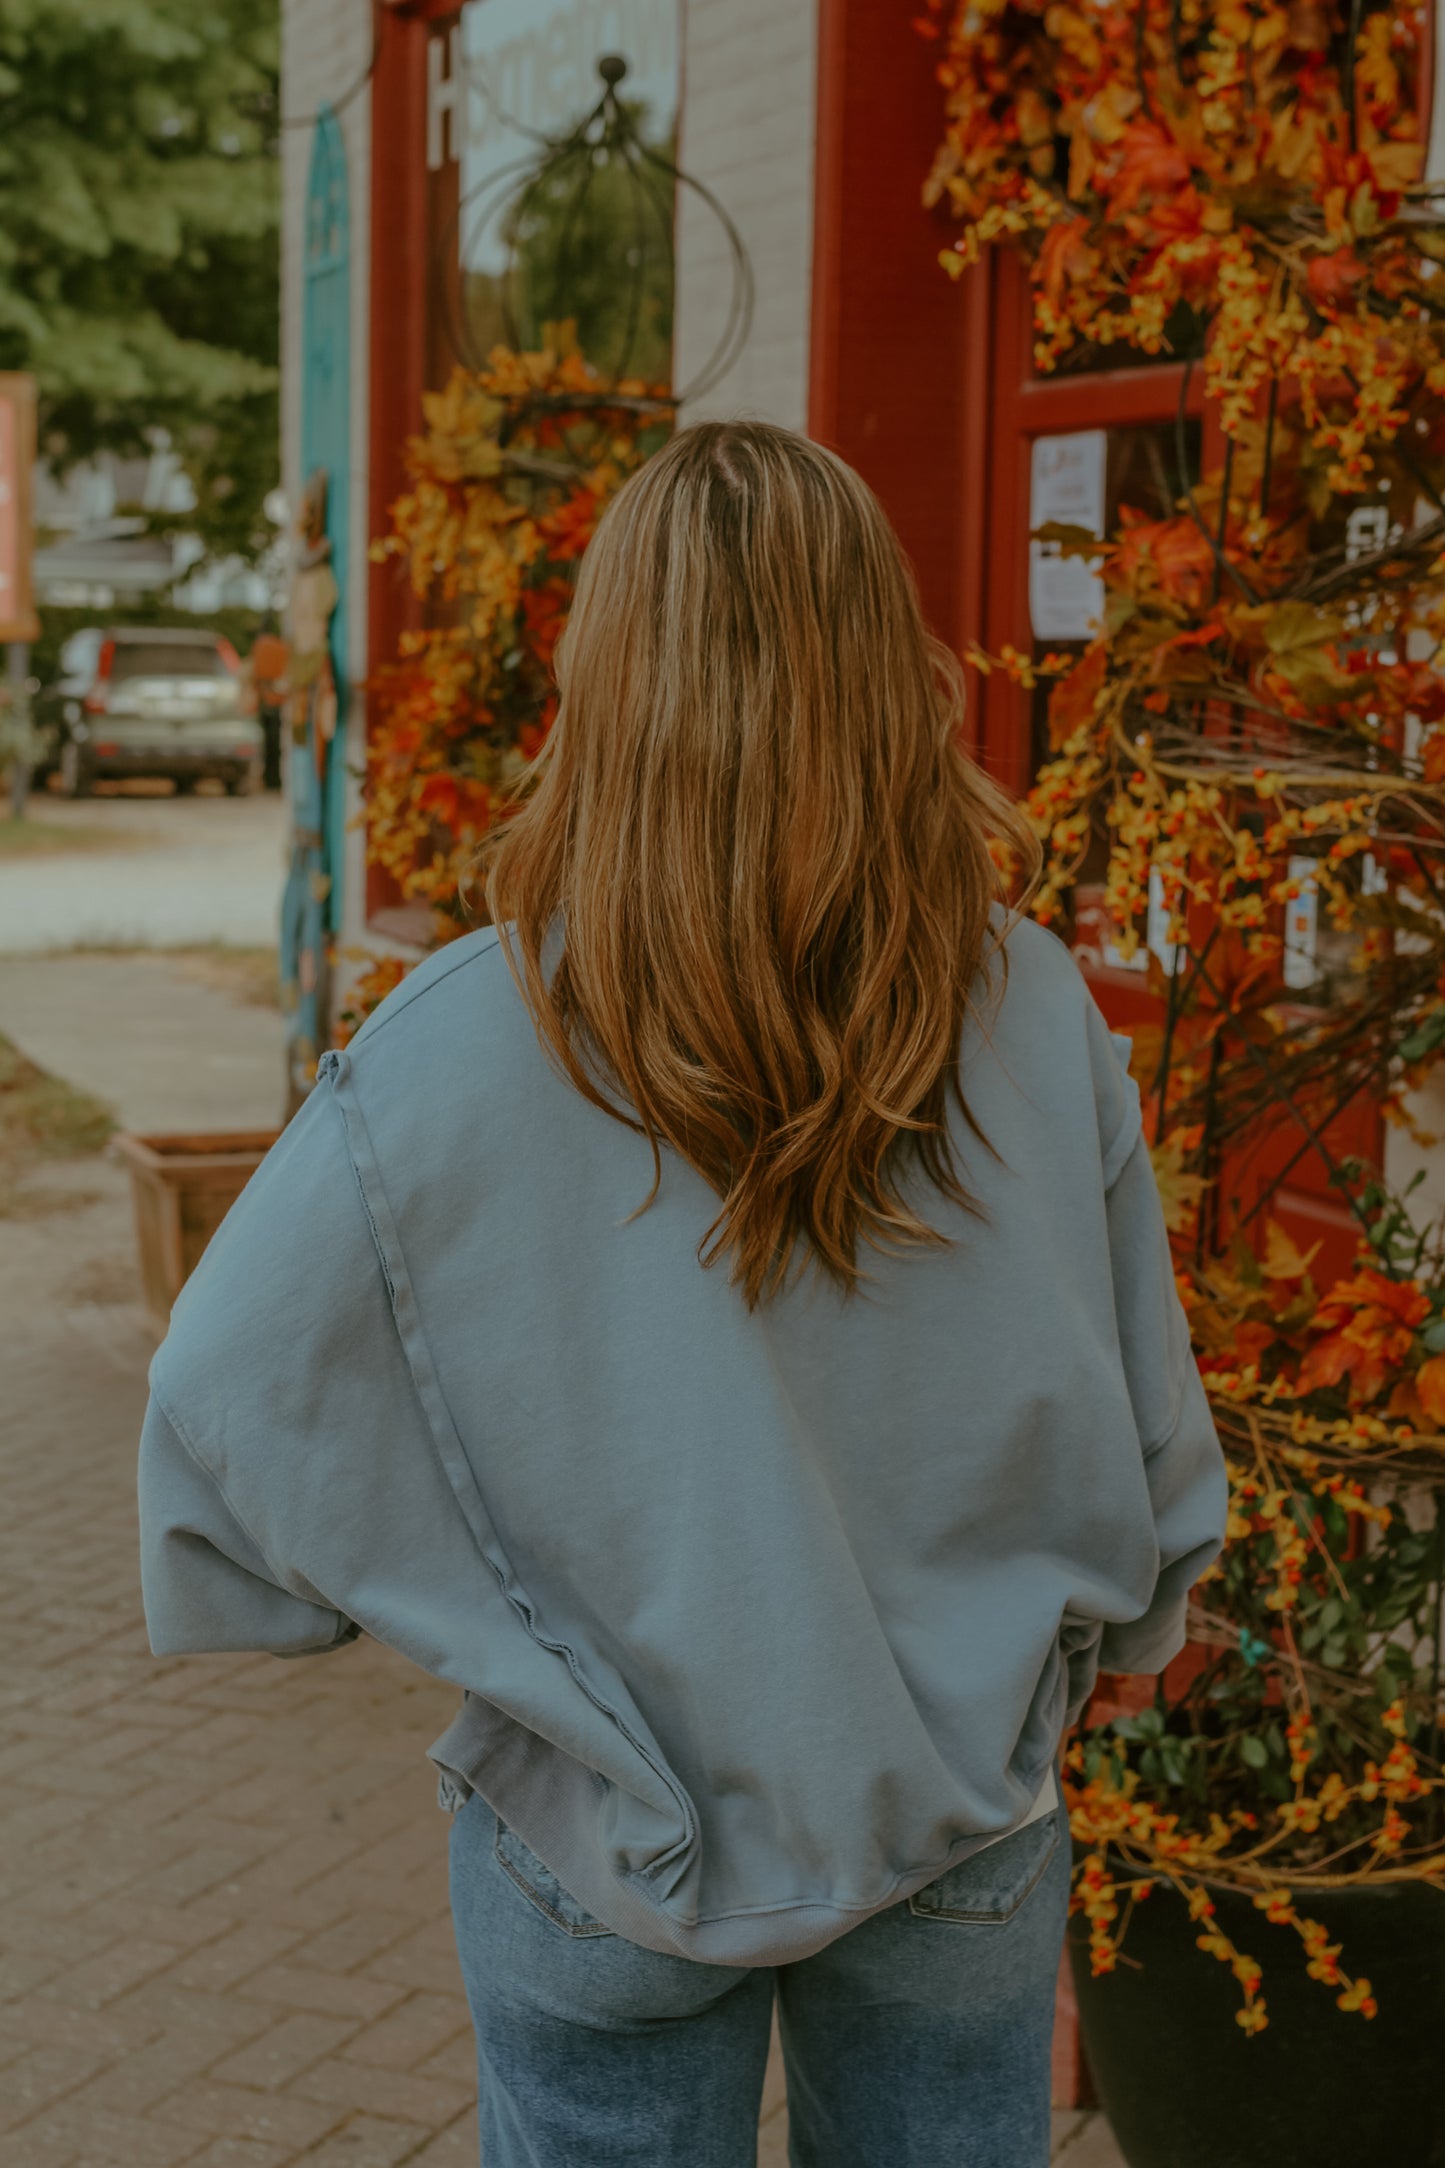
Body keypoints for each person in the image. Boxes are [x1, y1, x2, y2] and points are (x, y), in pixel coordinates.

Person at [137, 421, 1226, 2168]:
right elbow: (1144, 1398)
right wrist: (1140, 1628)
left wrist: (366, 1607)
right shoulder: (1026, 1005)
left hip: (602, 1822)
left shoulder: (470, 1033)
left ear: (605, 677)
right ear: (891, 665)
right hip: (958, 1811)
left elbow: (219, 1388)